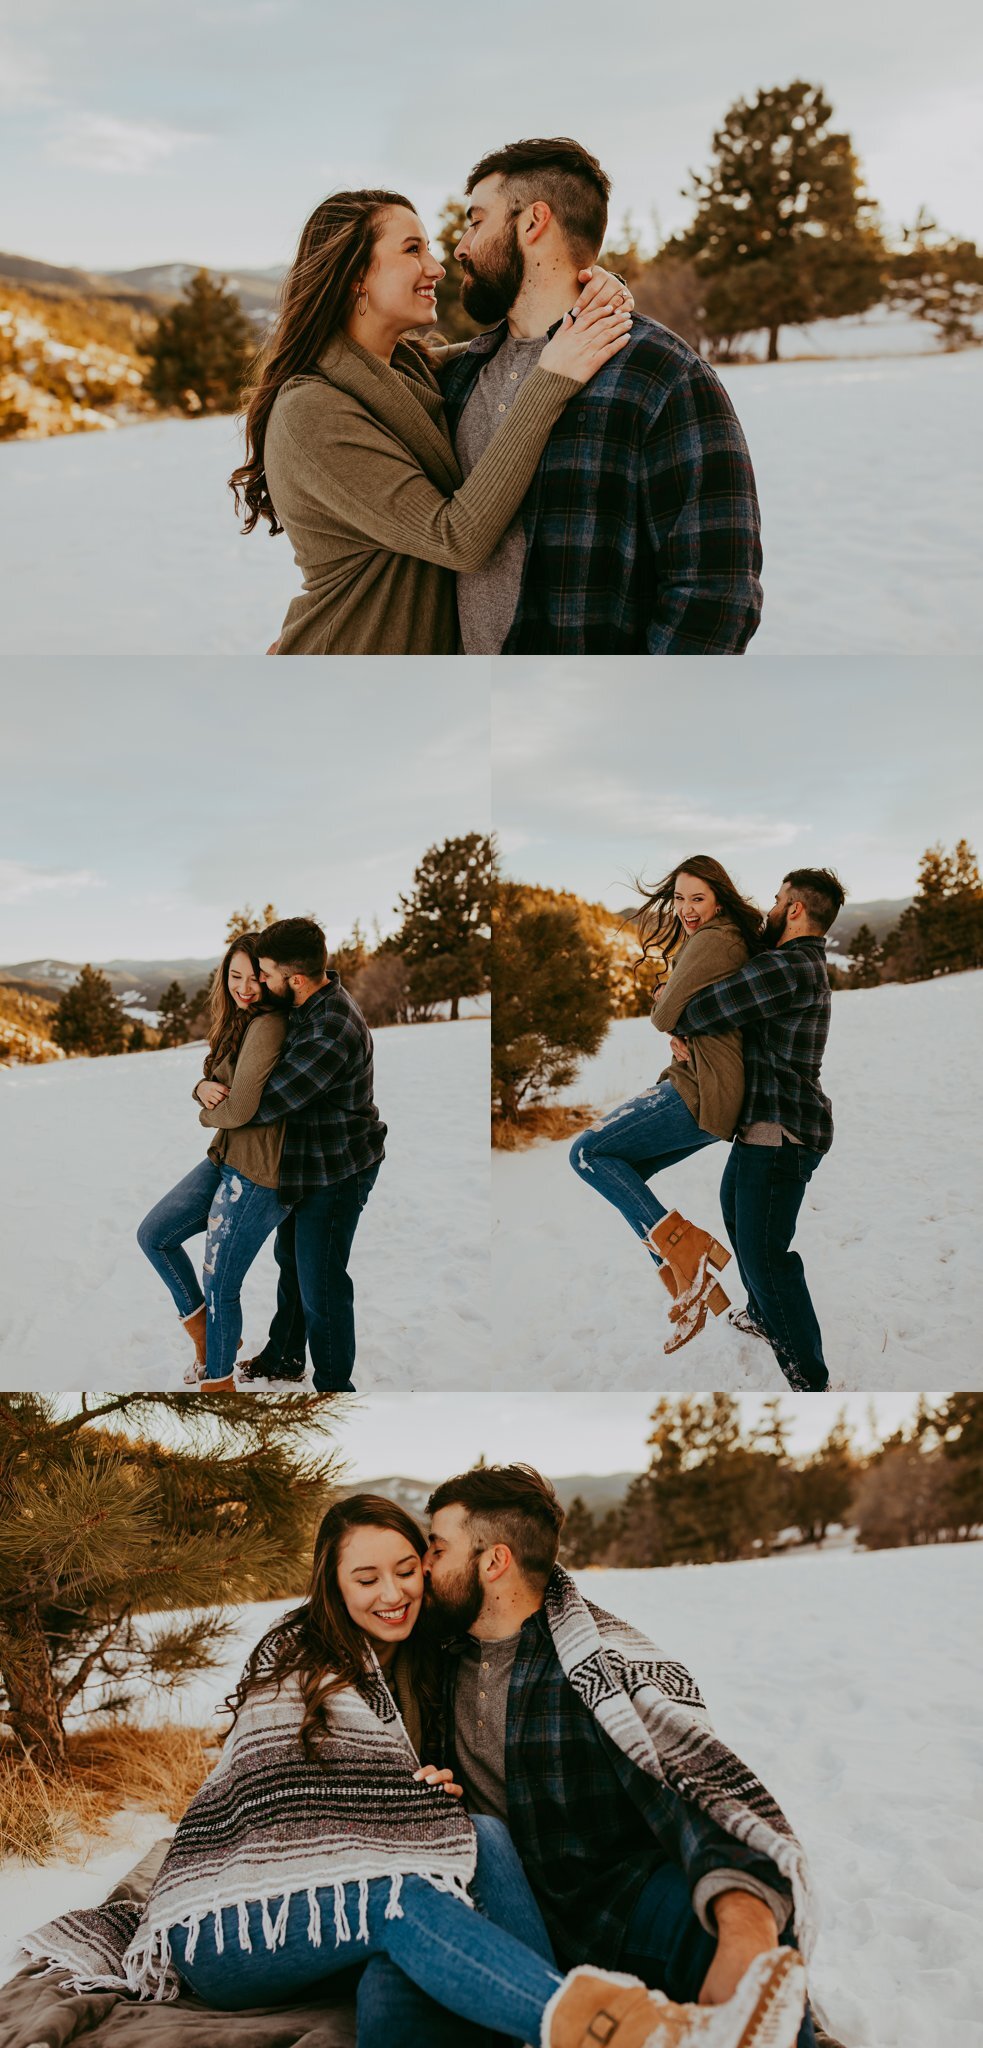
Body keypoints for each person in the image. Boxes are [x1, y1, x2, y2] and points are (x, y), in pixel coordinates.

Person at [24, 1495, 807, 2048]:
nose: (397, 1591)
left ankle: (531, 2010)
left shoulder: (438, 1654)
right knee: (406, 1902)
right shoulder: (299, 1663)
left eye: (411, 1564)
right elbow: (276, 1795)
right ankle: (606, 2029)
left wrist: (412, 1804)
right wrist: (387, 1804)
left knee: (477, 1845)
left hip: (385, 1906)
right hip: (245, 1916)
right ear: (332, 1586)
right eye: (366, 1579)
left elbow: (665, 1770)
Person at [230, 187, 634, 654]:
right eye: (412, 249)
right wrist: (549, 383)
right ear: (356, 275)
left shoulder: (407, 372)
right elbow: (455, 538)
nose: (437, 267)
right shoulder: (311, 410)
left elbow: (519, 343)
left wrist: (596, 290)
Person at [441, 137, 763, 654]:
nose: (459, 246)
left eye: (476, 220)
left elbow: (715, 594)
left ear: (532, 222)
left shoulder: (662, 375)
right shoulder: (457, 378)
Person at [570, 857, 764, 1351]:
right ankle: (686, 1281)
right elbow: (679, 1011)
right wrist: (680, 1019)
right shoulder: (723, 938)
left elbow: (662, 1013)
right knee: (624, 1175)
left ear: (719, 897)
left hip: (702, 1089)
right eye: (679, 898)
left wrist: (670, 1010)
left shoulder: (716, 939)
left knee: (588, 1154)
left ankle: (688, 1258)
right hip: (707, 1085)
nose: (685, 909)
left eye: (697, 898)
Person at [669, 869, 843, 1391]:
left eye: (776, 899)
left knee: (768, 1257)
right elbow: (735, 1020)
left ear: (794, 910)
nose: (768, 907)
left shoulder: (790, 966)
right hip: (763, 1128)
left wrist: (680, 1016)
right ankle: (765, 1318)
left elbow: (704, 1007)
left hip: (781, 1131)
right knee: (740, 1222)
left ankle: (808, 1377)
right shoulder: (791, 965)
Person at [221, 917, 387, 1392]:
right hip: (304, 1162)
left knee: (322, 1283)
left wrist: (216, 1103)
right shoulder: (306, 1002)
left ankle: (335, 1385)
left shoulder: (330, 1027)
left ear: (294, 977)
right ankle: (284, 1356)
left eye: (266, 973)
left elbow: (264, 1103)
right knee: (291, 1261)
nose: (260, 982)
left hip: (336, 1170)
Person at [136, 933, 291, 1388]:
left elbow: (239, 1108)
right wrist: (199, 1088)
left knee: (221, 1286)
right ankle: (208, 1336)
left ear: (270, 979)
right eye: (235, 975)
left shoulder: (269, 1025)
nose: (244, 987)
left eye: (254, 978)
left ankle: (217, 1383)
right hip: (226, 1157)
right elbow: (217, 1082)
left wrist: (206, 1111)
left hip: (259, 1171)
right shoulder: (240, 1021)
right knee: (154, 1234)